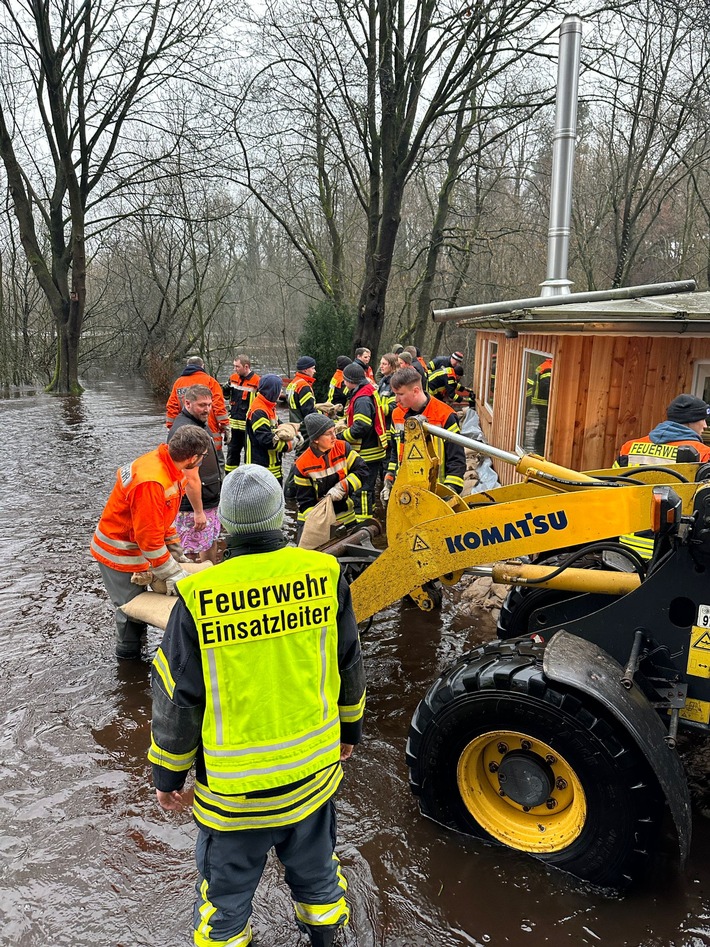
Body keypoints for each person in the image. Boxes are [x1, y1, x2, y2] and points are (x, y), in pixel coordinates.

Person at [148, 464, 366, 947]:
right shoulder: (325, 576)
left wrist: (168, 777)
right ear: (278, 520)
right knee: (319, 883)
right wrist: (349, 735)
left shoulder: (200, 596)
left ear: (223, 523)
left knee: (224, 903)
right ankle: (329, 938)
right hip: (312, 778)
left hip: (235, 797)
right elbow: (349, 665)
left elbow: (177, 697)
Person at [91, 425, 212, 660]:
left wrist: (178, 556)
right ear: (193, 457)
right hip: (118, 552)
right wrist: (173, 574)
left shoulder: (166, 469)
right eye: (203, 457)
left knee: (141, 606)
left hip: (133, 545)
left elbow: (164, 521)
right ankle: (128, 658)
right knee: (130, 607)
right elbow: (150, 541)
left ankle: (135, 655)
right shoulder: (152, 482)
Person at [615, 394, 710, 559]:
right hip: (673, 553)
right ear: (689, 420)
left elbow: (611, 491)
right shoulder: (704, 455)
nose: (705, 425)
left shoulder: (629, 448)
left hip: (627, 548)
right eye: (702, 419)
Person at [383, 366, 466, 501]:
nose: (396, 400)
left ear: (415, 390)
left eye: (400, 394)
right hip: (407, 493)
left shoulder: (445, 415)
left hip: (436, 493)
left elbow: (457, 460)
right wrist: (389, 479)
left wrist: (450, 490)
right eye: (394, 394)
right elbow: (395, 454)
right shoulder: (397, 414)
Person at [168, 385, 223, 564]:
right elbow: (189, 477)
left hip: (208, 498)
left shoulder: (197, 423)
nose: (207, 409)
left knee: (209, 543)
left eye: (209, 404)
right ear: (188, 403)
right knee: (190, 551)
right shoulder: (186, 431)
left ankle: (211, 576)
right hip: (193, 505)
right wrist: (198, 512)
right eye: (202, 405)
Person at [294, 413, 368, 532]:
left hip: (346, 517)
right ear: (316, 439)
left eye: (334, 431)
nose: (334, 437)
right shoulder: (302, 464)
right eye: (329, 434)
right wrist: (317, 523)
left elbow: (362, 470)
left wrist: (342, 487)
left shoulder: (343, 448)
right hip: (315, 523)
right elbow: (305, 502)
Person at [340, 362, 388, 520]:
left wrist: (341, 436)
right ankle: (372, 516)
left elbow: (361, 426)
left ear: (350, 380)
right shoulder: (366, 390)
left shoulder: (362, 399)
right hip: (372, 449)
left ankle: (363, 524)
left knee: (362, 490)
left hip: (367, 451)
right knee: (368, 488)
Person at [166, 356, 230, 459]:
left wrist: (172, 428)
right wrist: (225, 426)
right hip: (210, 432)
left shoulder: (178, 383)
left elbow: (172, 408)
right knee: (216, 463)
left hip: (184, 434)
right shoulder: (210, 381)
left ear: (187, 366)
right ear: (202, 366)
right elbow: (219, 407)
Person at [245, 373, 291, 483]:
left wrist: (291, 431)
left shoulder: (268, 406)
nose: (281, 393)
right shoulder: (259, 411)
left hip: (270, 466)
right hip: (263, 467)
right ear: (272, 391)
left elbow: (279, 425)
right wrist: (288, 445)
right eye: (279, 390)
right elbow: (266, 440)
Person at [224, 355, 260, 472]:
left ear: (246, 367)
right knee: (231, 456)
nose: (235, 369)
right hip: (234, 425)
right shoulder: (233, 378)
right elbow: (227, 398)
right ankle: (229, 479)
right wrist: (225, 391)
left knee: (249, 457)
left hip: (248, 426)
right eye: (234, 366)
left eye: (237, 366)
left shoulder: (257, 381)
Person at [377, 353, 399, 446]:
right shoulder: (383, 381)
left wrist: (376, 410)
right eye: (381, 363)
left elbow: (394, 407)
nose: (381, 366)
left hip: (390, 429)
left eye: (384, 364)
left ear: (393, 366)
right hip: (383, 427)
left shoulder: (394, 383)